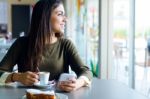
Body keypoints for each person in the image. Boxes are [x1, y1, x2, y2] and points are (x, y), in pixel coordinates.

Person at [0, 0, 92, 92]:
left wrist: (77, 84)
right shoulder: (21, 43)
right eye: (60, 14)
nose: (65, 19)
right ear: (45, 17)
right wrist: (17, 77)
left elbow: (86, 72)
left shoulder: (66, 45)